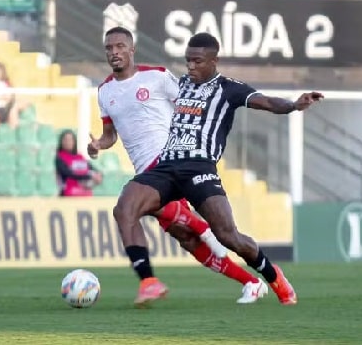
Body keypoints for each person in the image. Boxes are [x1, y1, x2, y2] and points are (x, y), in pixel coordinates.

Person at [112, 32, 323, 307]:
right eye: (187, 61)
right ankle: (148, 282)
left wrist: (294, 105)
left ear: (214, 61)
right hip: (167, 165)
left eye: (197, 61)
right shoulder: (183, 84)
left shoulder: (229, 88)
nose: (190, 67)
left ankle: (273, 276)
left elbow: (268, 102)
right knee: (124, 208)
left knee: (227, 236)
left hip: (199, 168)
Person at [88, 27, 268, 304]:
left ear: (131, 49)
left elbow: (191, 101)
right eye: (109, 48)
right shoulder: (104, 91)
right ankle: (251, 281)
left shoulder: (157, 76)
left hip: (173, 160)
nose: (114, 52)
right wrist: (99, 144)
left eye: (120, 46)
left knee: (142, 212)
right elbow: (111, 134)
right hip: (146, 172)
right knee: (186, 240)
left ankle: (163, 268)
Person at [56, 130, 102, 196]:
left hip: (85, 193)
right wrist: (89, 176)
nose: (68, 142)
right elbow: (68, 173)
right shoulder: (59, 157)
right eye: (65, 140)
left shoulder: (80, 157)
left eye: (70, 140)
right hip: (68, 194)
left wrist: (98, 175)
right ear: (61, 142)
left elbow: (92, 169)